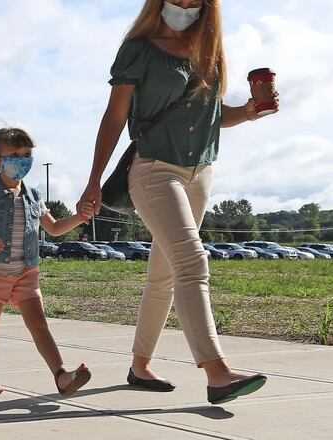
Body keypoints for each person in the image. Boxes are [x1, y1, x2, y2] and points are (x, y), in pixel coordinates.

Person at [77, 0, 278, 404]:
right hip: (154, 170)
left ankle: (139, 365)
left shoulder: (210, 48)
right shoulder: (139, 47)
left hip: (201, 173)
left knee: (164, 274)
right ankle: (216, 372)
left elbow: (210, 114)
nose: (185, 6)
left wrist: (248, 111)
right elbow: (115, 117)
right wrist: (94, 179)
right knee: (192, 261)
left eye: (194, 0)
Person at [0, 127, 94, 397]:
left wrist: (80, 217)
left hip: (26, 273)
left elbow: (54, 229)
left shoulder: (34, 197)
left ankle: (61, 376)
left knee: (39, 324)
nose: (22, 160)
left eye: (27, 155)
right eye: (14, 155)